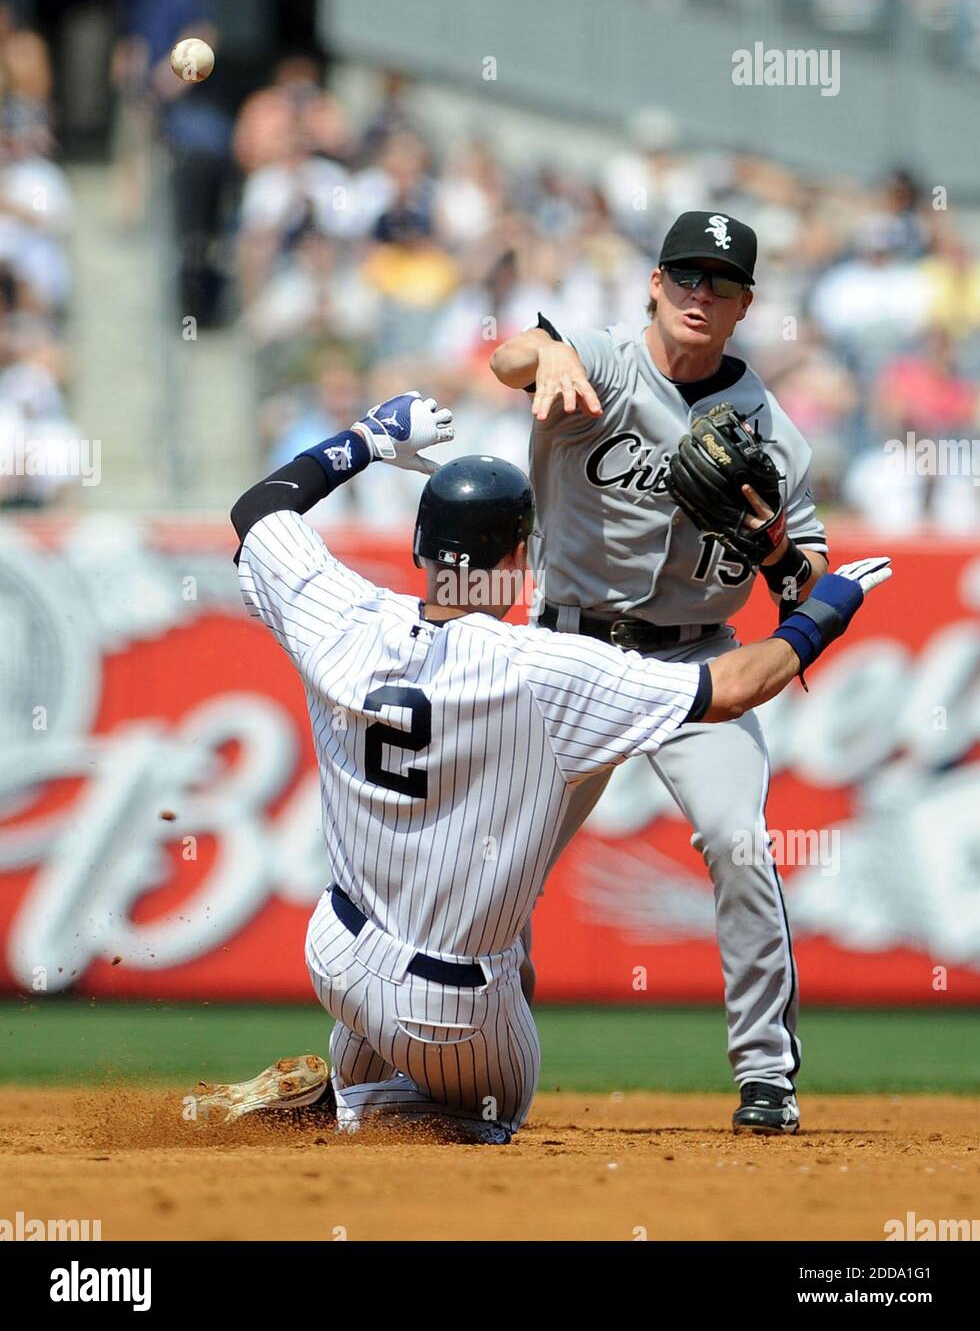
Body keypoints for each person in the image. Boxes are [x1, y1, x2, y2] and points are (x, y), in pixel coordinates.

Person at [192, 390, 890, 1141]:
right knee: (489, 1116)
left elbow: (259, 512)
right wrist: (827, 608)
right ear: (522, 556)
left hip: (333, 950)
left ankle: (347, 1084)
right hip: (447, 1011)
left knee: (405, 1005)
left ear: (422, 547)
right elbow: (736, 688)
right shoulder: (544, 670)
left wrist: (368, 438)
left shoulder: (341, 614)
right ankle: (344, 1109)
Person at [489, 210, 833, 1135]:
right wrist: (547, 357)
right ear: (653, 282)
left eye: (719, 284)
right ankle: (480, 1061)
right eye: (684, 275)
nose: (698, 294)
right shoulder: (600, 356)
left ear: (744, 306)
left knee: (740, 845)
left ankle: (767, 1078)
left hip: (695, 666)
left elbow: (810, 590)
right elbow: (509, 359)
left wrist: (771, 549)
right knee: (501, 868)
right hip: (572, 653)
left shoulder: (774, 435)